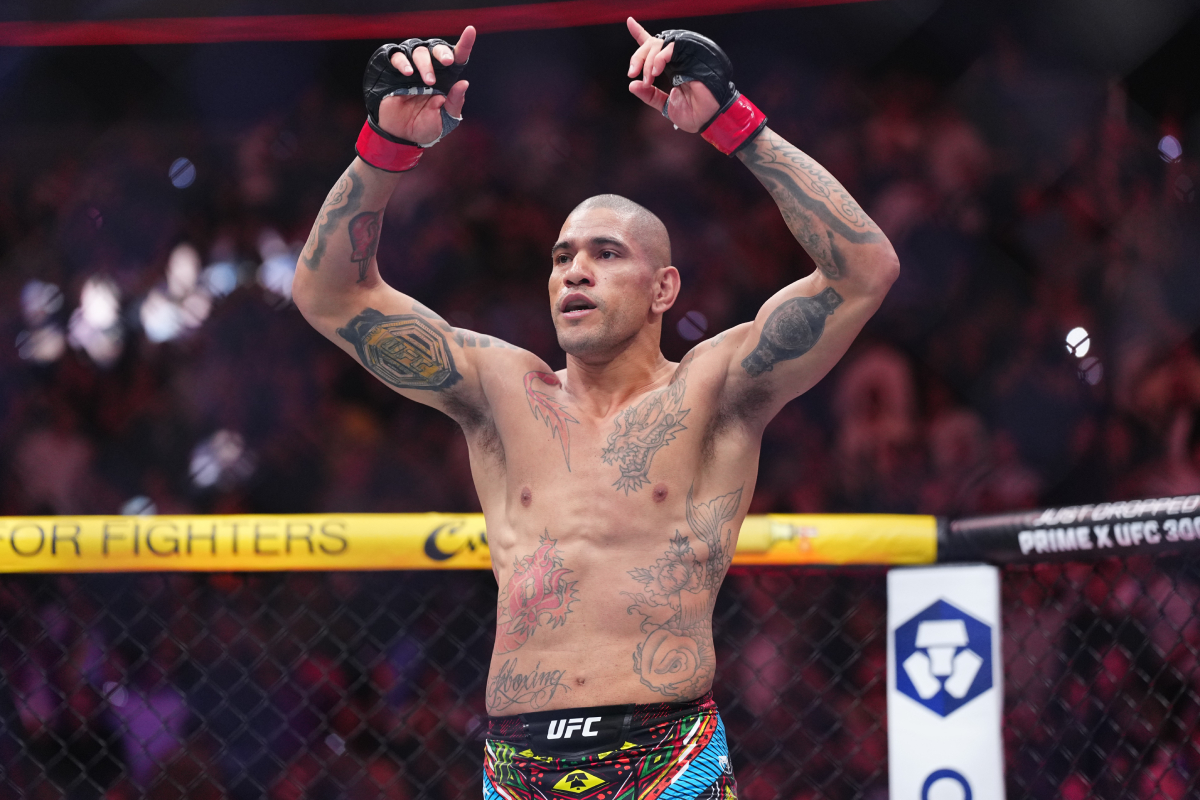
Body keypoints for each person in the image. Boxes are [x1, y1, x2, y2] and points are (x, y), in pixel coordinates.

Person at [293, 17, 898, 800]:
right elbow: (330, 296)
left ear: (664, 288)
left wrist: (734, 123)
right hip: (520, 765)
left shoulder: (711, 388)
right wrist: (384, 147)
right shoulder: (503, 390)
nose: (575, 271)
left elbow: (863, 270)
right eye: (561, 258)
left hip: (667, 756)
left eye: (606, 254)